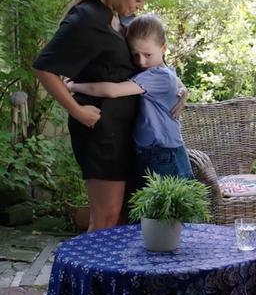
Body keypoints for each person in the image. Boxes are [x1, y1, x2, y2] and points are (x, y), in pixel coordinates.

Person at [33, 0, 156, 232]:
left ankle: (111, 277)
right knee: (106, 217)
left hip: (125, 131)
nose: (140, 6)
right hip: (100, 133)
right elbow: (45, 68)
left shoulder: (119, 20)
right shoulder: (86, 18)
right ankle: (87, 278)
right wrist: (77, 111)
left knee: (122, 217)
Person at [65, 14, 193, 185]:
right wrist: (185, 91)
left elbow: (113, 91)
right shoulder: (162, 72)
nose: (141, 61)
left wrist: (73, 86)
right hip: (155, 152)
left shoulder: (158, 76)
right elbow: (178, 83)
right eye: (135, 55)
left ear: (164, 48)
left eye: (147, 54)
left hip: (162, 154)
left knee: (163, 210)